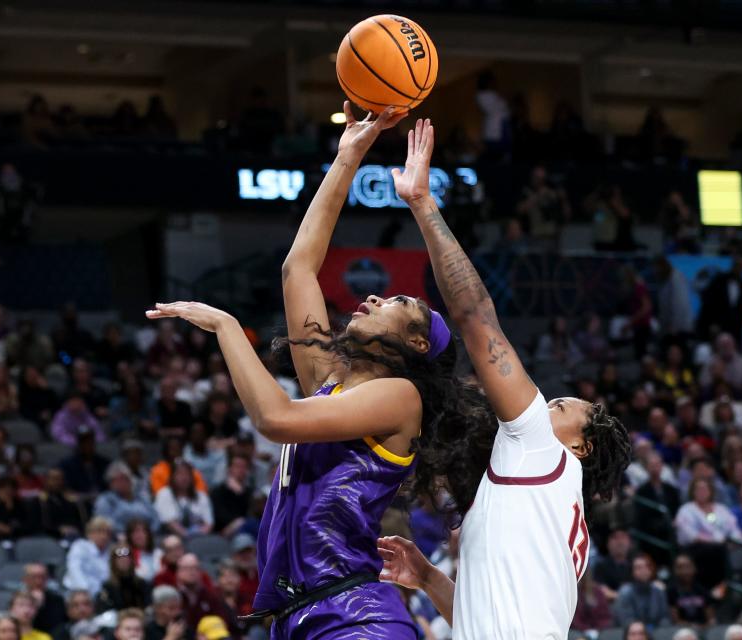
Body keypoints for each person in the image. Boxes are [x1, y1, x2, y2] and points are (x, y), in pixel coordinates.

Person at [147, 105, 511, 640]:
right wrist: (347, 157)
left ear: (415, 343)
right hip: (300, 618)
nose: (372, 296)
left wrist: (227, 327)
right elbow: (298, 269)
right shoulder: (331, 383)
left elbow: (274, 419)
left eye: (396, 301)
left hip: (356, 616)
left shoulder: (400, 397)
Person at [376, 118, 630, 638]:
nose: (542, 406)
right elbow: (478, 619)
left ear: (578, 447)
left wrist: (424, 204)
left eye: (558, 407)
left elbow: (474, 317)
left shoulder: (543, 451)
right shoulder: (551, 516)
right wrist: (427, 578)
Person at [674, 478, 740, 589]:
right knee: (717, 550)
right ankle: (722, 584)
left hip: (724, 547)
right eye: (698, 489)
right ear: (693, 492)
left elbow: (733, 528)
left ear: (711, 491)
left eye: (705, 489)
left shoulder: (721, 509)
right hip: (696, 548)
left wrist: (735, 540)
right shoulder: (686, 510)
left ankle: (730, 583)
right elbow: (689, 534)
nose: (702, 492)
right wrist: (716, 542)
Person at [153, 459, 213, 538]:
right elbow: (170, 523)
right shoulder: (164, 494)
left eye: (187, 474)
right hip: (170, 536)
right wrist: (188, 536)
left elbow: (209, 523)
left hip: (199, 538)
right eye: (180, 474)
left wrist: (200, 536)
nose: (184, 477)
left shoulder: (201, 496)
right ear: (172, 476)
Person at [94, 462, 159, 533]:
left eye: (124, 478)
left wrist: (149, 532)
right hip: (120, 539)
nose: (122, 483)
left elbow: (155, 518)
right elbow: (105, 523)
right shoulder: (105, 500)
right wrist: (132, 535)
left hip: (149, 537)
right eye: (117, 480)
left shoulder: (141, 498)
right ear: (110, 483)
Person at [612, 554, 671, 627]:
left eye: (646, 566)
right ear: (632, 572)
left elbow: (665, 618)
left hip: (656, 633)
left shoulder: (659, 591)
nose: (643, 570)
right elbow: (626, 621)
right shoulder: (625, 592)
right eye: (639, 567)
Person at [175, 554, 227, 631]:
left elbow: (221, 622)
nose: (191, 572)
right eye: (186, 568)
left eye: (195, 568)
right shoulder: (174, 597)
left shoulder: (210, 596)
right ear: (178, 572)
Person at [63, 517, 113, 597]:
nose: (104, 536)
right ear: (89, 534)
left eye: (107, 533)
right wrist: (85, 591)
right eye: (100, 532)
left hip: (100, 595)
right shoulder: (80, 546)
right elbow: (74, 569)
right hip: (77, 592)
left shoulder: (110, 552)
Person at [94, 546, 151, 613]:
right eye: (119, 558)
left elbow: (148, 606)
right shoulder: (108, 586)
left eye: (126, 557)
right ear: (113, 562)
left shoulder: (141, 583)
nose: (124, 560)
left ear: (132, 560)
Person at [58, 428, 110, 499]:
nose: (87, 445)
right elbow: (67, 488)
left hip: (103, 499)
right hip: (79, 501)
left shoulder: (104, 463)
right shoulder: (67, 464)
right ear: (79, 444)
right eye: (84, 442)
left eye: (90, 441)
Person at [667, 553, 714, 627]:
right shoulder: (671, 591)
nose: (685, 571)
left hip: (704, 630)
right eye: (680, 567)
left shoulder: (703, 589)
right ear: (675, 570)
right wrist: (691, 627)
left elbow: (711, 618)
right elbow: (674, 620)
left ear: (694, 568)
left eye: (688, 566)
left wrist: (704, 627)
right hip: (681, 631)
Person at [209, 455, 252, 537]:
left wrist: (241, 494)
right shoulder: (218, 491)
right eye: (237, 466)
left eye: (244, 467)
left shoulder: (249, 491)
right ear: (229, 469)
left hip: (246, 528)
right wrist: (237, 522)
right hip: (224, 532)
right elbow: (219, 516)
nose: (241, 470)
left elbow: (250, 513)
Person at [22, 564, 66, 635]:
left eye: (42, 577)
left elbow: (60, 625)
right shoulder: (19, 601)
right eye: (34, 577)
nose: (38, 581)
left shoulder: (57, 600)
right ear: (25, 579)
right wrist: (36, 606)